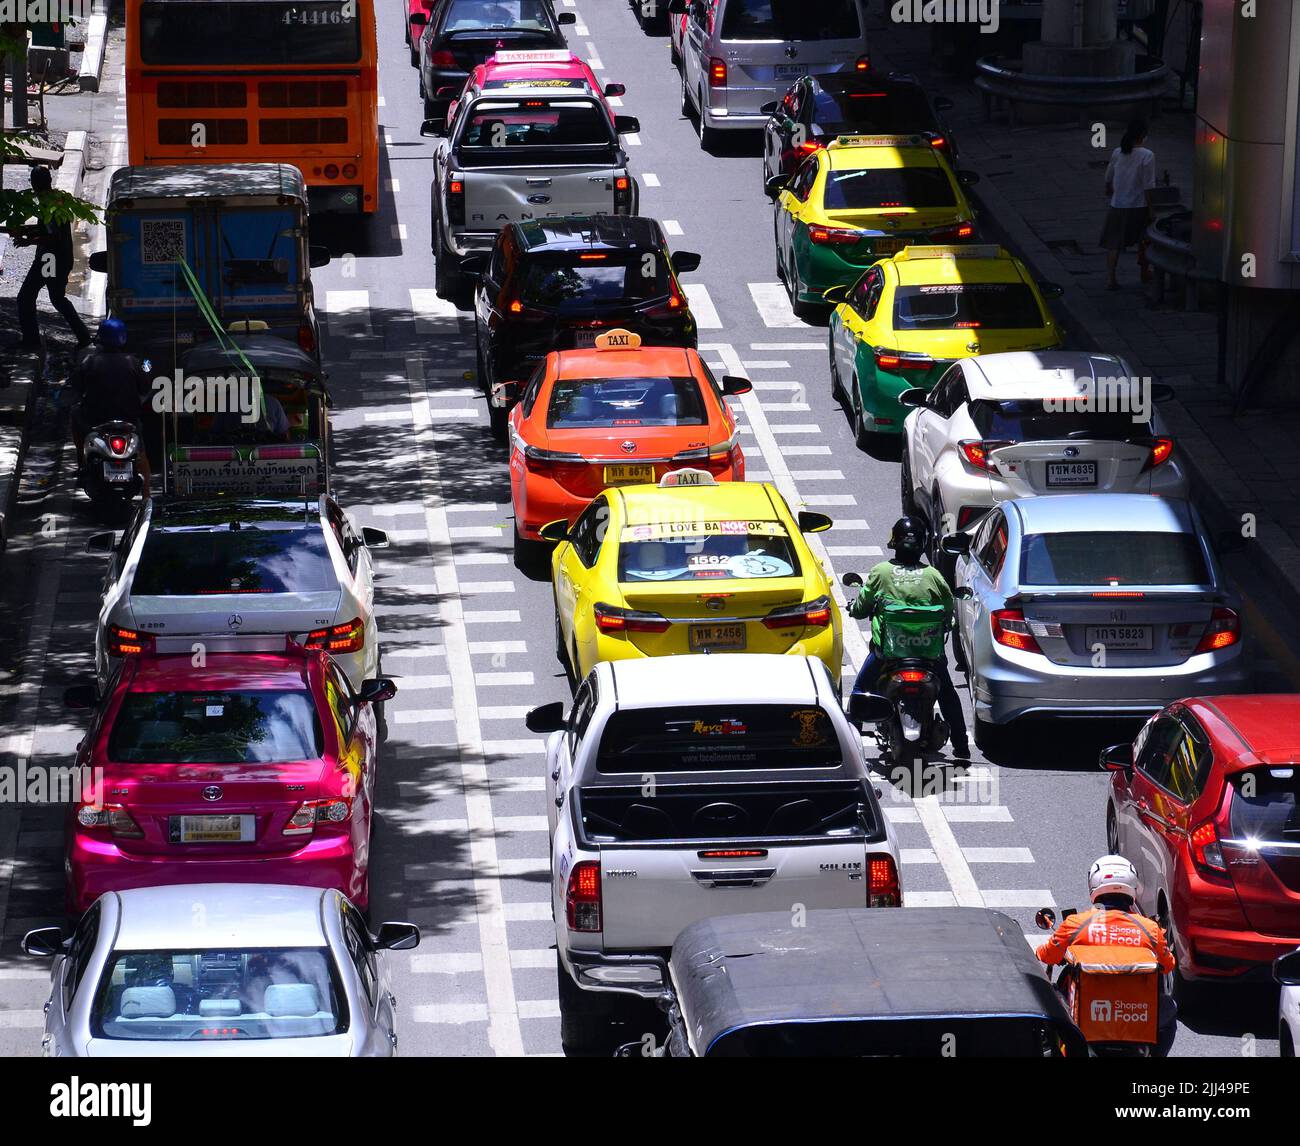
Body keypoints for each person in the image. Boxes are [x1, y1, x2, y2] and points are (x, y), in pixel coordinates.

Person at [846, 514, 969, 758]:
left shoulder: (881, 572)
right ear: (923, 545)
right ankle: (961, 746)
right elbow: (948, 613)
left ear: (895, 543)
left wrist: (855, 607)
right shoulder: (933, 575)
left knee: (860, 690)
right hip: (929, 655)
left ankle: (851, 750)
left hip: (888, 653)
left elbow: (860, 608)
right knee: (947, 694)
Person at [1036, 854, 1177, 1056]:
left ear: (1093, 884)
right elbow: (1169, 965)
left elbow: (1047, 955)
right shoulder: (1149, 929)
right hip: (1136, 1021)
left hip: (1086, 1024)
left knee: (1051, 1000)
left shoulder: (1077, 924)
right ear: (1132, 885)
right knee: (1169, 1006)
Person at [68, 317, 153, 496]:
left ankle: (81, 459)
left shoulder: (90, 362)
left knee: (74, 412)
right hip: (128, 420)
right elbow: (145, 389)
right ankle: (146, 493)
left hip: (96, 420)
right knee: (141, 450)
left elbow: (75, 386)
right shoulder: (133, 362)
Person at [13, 165, 92, 350]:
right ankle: (84, 336)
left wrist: (28, 242)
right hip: (60, 259)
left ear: (33, 184)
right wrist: (26, 231)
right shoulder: (58, 199)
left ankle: (31, 341)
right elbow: (49, 230)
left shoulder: (47, 203)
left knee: (25, 297)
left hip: (49, 259)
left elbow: (52, 237)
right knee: (57, 299)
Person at [1100, 119, 1156, 291]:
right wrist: (1152, 209)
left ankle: (1111, 278)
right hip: (1138, 205)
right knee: (1145, 241)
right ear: (1142, 137)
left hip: (1118, 204)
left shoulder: (1118, 152)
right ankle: (1144, 273)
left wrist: (1109, 189)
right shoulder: (1147, 155)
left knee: (1113, 243)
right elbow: (1149, 186)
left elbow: (1109, 175)